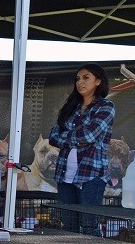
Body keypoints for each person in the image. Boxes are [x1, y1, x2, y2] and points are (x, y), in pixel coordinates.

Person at [48, 63, 114, 235]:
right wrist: (76, 140)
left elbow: (90, 136)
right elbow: (53, 137)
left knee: (89, 226)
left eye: (86, 78)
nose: (80, 82)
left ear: (98, 81)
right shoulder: (71, 107)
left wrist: (66, 138)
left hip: (91, 175)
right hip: (65, 174)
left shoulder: (106, 106)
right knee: (68, 226)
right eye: (78, 79)